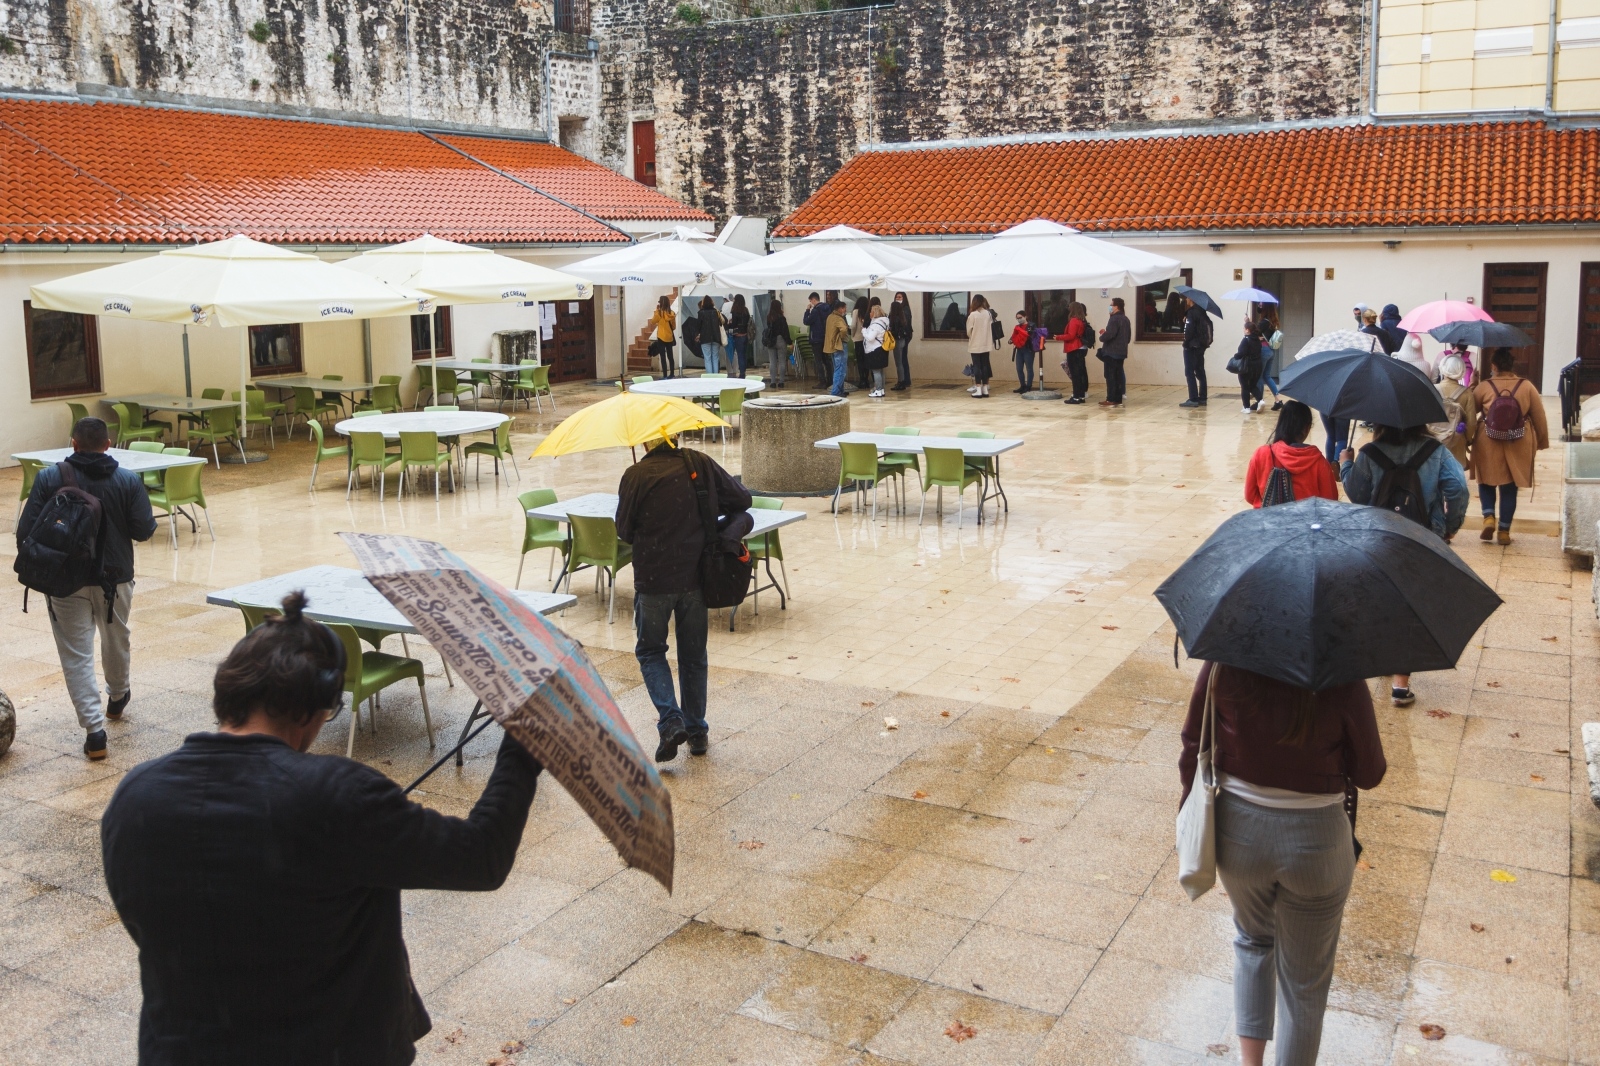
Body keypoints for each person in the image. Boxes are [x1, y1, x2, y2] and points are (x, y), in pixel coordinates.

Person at [101, 592, 543, 1063]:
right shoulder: (337, 796)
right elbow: (482, 857)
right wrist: (523, 742)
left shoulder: (134, 795)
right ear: (312, 711)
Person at [1179, 661, 1386, 1066]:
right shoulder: (1342, 676)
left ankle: (1249, 1063)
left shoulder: (1224, 665)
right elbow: (1369, 773)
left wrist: (1186, 810)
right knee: (1304, 983)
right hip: (1317, 843)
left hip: (1238, 833)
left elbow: (1192, 742)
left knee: (1253, 939)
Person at [17, 416, 156, 760]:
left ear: (73, 443)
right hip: (116, 576)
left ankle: (95, 734)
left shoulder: (50, 477)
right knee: (116, 637)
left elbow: (25, 533)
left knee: (76, 654)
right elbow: (143, 530)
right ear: (109, 445)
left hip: (64, 580)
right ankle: (118, 696)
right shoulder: (127, 480)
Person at [616, 437, 751, 760]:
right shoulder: (698, 463)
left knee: (650, 651)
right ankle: (697, 731)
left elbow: (624, 531)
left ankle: (670, 719)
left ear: (647, 440)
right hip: (695, 578)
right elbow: (742, 500)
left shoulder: (636, 475)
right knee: (693, 656)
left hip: (653, 581)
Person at [1341, 423, 1469, 705]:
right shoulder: (1436, 452)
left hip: (1379, 538)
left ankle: (1384, 659)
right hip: (1422, 536)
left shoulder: (1370, 453)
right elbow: (1458, 487)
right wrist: (1450, 526)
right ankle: (1401, 684)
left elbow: (1357, 494)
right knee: (1412, 602)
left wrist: (1346, 465)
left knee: (1383, 598)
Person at [1470, 346, 1550, 546]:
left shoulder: (1484, 386)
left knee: (1486, 480)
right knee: (1509, 486)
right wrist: (1541, 441)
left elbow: (1471, 413)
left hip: (1488, 439)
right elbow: (1539, 417)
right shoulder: (1527, 386)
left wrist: (1474, 386)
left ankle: (1488, 517)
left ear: (1494, 366)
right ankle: (1504, 531)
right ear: (1512, 365)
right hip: (1518, 440)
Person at [1244, 401, 1339, 507]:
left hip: (1267, 521)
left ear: (1280, 423)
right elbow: (1330, 501)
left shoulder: (1261, 454)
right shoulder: (1319, 462)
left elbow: (1250, 495)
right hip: (1306, 522)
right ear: (1306, 429)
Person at [1429, 353, 1477, 468]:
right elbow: (1471, 423)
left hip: (1434, 440)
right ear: (1462, 372)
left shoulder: (1432, 389)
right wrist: (1467, 439)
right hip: (1457, 440)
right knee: (1454, 475)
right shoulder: (1467, 393)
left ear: (1442, 369)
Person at [1179, 296, 1213, 408]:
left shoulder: (1191, 313)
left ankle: (1193, 398)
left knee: (1189, 372)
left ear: (1192, 300)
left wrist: (1186, 342)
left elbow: (1188, 331)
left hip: (1191, 346)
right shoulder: (1202, 312)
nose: (1186, 300)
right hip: (1201, 346)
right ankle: (1203, 397)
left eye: (1187, 298)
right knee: (1200, 371)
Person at [1097, 296, 1131, 408]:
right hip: (1121, 352)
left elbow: (1110, 334)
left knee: (1110, 375)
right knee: (1118, 376)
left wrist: (1102, 336)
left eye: (1111, 305)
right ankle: (1118, 399)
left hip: (1111, 352)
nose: (1110, 307)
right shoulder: (1125, 319)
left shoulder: (1114, 319)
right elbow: (1128, 337)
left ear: (1116, 307)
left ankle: (1111, 399)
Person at [1059, 301, 1090, 404]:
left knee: (1075, 374)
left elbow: (1071, 336)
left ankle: (1076, 397)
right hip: (1081, 348)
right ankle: (1081, 396)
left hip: (1073, 348)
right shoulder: (1081, 320)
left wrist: (1058, 337)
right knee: (1080, 373)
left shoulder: (1073, 320)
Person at [966, 293, 995, 399]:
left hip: (975, 344)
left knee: (977, 366)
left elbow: (969, 331)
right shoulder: (988, 314)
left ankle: (978, 389)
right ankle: (985, 389)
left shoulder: (973, 315)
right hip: (986, 343)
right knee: (985, 365)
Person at [1233, 320, 1264, 414]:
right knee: (1253, 385)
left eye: (1244, 328)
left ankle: (1246, 407)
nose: (1243, 330)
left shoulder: (1246, 339)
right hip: (1258, 365)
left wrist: (1235, 356)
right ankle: (1260, 400)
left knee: (1245, 386)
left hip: (1247, 366)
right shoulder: (1257, 340)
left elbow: (1241, 353)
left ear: (1247, 330)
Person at [861, 298, 891, 397]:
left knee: (876, 371)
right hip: (881, 349)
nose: (869, 313)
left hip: (874, 350)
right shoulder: (884, 322)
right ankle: (881, 389)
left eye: (871, 311)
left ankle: (878, 390)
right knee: (880, 371)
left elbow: (870, 338)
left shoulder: (875, 325)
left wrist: (864, 331)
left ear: (874, 313)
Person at [1256, 306, 1284, 411]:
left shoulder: (1264, 322)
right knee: (1267, 376)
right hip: (1271, 351)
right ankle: (1278, 400)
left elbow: (1253, 333)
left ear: (1265, 309)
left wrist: (1247, 322)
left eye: (1261, 305)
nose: (1259, 306)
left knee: (1259, 376)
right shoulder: (1273, 322)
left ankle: (1259, 401)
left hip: (1263, 350)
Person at [823, 299, 850, 397]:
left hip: (832, 347)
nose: (845, 310)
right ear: (840, 308)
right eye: (845, 308)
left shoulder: (830, 317)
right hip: (840, 346)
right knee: (841, 370)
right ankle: (836, 392)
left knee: (837, 368)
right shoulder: (838, 318)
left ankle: (840, 390)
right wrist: (842, 338)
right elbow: (843, 329)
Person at [803, 292, 829, 389]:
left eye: (811, 301)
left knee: (818, 361)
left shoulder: (815, 310)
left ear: (814, 300)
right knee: (826, 360)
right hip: (825, 337)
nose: (811, 303)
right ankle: (830, 380)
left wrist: (807, 310)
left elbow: (806, 321)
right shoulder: (827, 308)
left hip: (816, 339)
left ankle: (822, 381)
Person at [889, 291, 914, 390]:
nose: (898, 298)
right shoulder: (896, 311)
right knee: (902, 359)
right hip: (903, 337)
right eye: (897, 297)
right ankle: (904, 380)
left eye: (900, 297)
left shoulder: (905, 310)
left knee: (901, 360)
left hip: (902, 338)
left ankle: (904, 380)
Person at [763, 297, 790, 389]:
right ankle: (781, 382)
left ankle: (773, 382)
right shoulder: (782, 318)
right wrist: (789, 342)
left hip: (771, 340)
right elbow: (785, 331)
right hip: (780, 339)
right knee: (782, 362)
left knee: (772, 362)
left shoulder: (769, 318)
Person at [649, 295, 677, 378]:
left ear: (660, 303)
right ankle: (672, 374)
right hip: (669, 337)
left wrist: (656, 311)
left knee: (663, 356)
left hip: (661, 336)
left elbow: (653, 322)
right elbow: (674, 327)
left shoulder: (659, 313)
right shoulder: (671, 313)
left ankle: (665, 375)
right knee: (670, 356)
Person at [696, 295, 724, 375]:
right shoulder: (716, 312)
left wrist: (698, 335)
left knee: (707, 358)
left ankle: (710, 377)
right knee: (715, 358)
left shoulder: (701, 313)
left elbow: (698, 326)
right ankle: (716, 376)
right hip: (716, 337)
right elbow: (721, 322)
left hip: (705, 338)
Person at [726, 294, 751, 377]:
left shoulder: (735, 311)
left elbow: (734, 325)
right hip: (746, 335)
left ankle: (742, 374)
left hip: (738, 336)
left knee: (740, 355)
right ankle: (744, 371)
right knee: (744, 355)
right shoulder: (746, 310)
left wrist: (729, 323)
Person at [1010, 310, 1035, 393]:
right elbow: (1013, 336)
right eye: (1017, 318)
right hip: (1019, 349)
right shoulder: (1018, 327)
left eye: (1020, 317)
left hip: (1028, 349)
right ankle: (1022, 385)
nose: (1019, 320)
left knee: (1029, 368)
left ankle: (1028, 386)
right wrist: (1011, 340)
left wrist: (1019, 331)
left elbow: (1029, 334)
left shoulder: (1031, 325)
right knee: (1019, 368)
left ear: (1025, 316)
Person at [851, 296, 870, 390]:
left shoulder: (856, 312)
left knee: (860, 361)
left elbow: (853, 325)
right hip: (867, 339)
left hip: (858, 339)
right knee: (866, 360)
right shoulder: (868, 311)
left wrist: (852, 335)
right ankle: (866, 380)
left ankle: (862, 380)